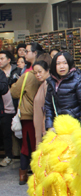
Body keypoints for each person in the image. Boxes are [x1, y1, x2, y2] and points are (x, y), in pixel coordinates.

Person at [10, 43, 46, 184]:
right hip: (39, 113)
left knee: (28, 144)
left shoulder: (28, 74)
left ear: (35, 53)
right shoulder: (38, 72)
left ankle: (24, 173)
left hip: (29, 114)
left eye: (27, 51)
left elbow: (14, 91)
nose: (25, 53)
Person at [45, 51, 81, 132]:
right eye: (58, 64)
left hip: (75, 126)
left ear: (69, 64)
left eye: (65, 63)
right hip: (58, 127)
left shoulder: (79, 80)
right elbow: (48, 106)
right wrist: (49, 126)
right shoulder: (52, 82)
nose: (62, 66)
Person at [0, 50, 22, 167]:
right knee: (6, 133)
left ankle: (22, 157)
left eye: (2, 58)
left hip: (15, 105)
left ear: (9, 60)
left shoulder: (17, 71)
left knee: (18, 131)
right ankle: (9, 155)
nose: (0, 61)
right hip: (4, 108)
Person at [32, 55, 52, 147]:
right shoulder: (43, 84)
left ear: (47, 70)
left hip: (44, 125)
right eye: (35, 73)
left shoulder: (47, 84)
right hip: (39, 125)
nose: (38, 75)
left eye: (40, 72)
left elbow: (48, 107)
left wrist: (46, 125)